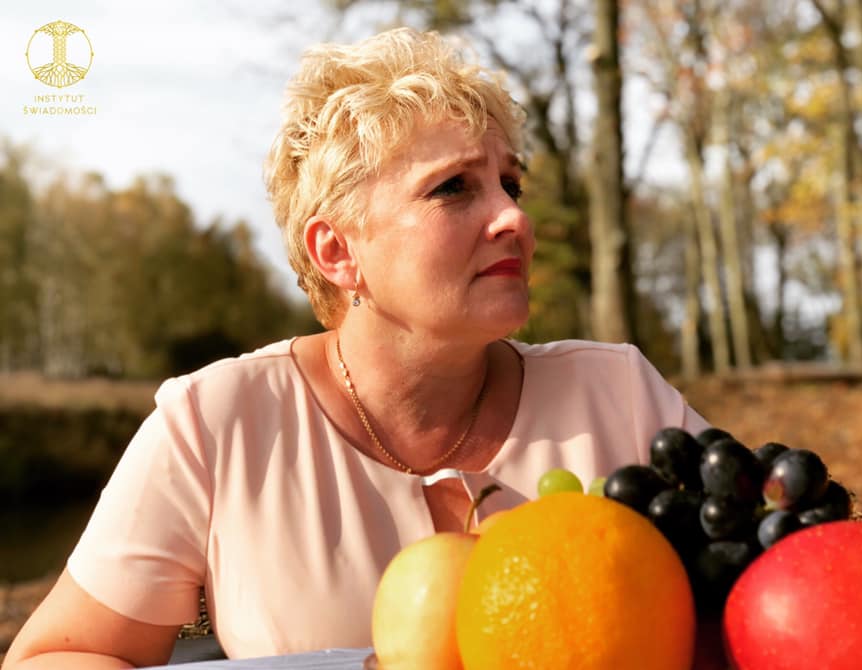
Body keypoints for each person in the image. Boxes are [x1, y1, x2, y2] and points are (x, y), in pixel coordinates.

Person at [2, 27, 708, 669]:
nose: (514, 218)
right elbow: (55, 660)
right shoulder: (215, 424)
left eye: (510, 183)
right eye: (454, 188)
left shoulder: (621, 393)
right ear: (338, 251)